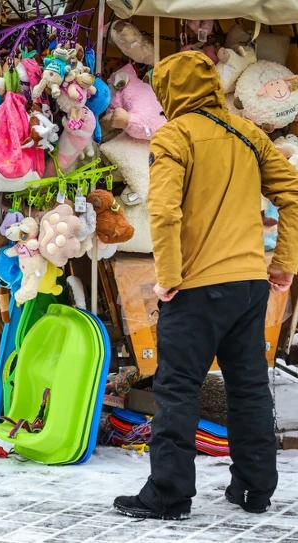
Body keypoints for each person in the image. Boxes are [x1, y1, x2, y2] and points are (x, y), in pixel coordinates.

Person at [113, 51, 298, 520]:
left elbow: (164, 209)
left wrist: (169, 276)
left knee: (177, 389)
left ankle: (169, 495)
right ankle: (255, 489)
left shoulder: (175, 134)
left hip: (196, 286)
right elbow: (292, 194)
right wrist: (284, 262)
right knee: (250, 387)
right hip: (250, 284)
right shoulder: (248, 131)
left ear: (172, 91)